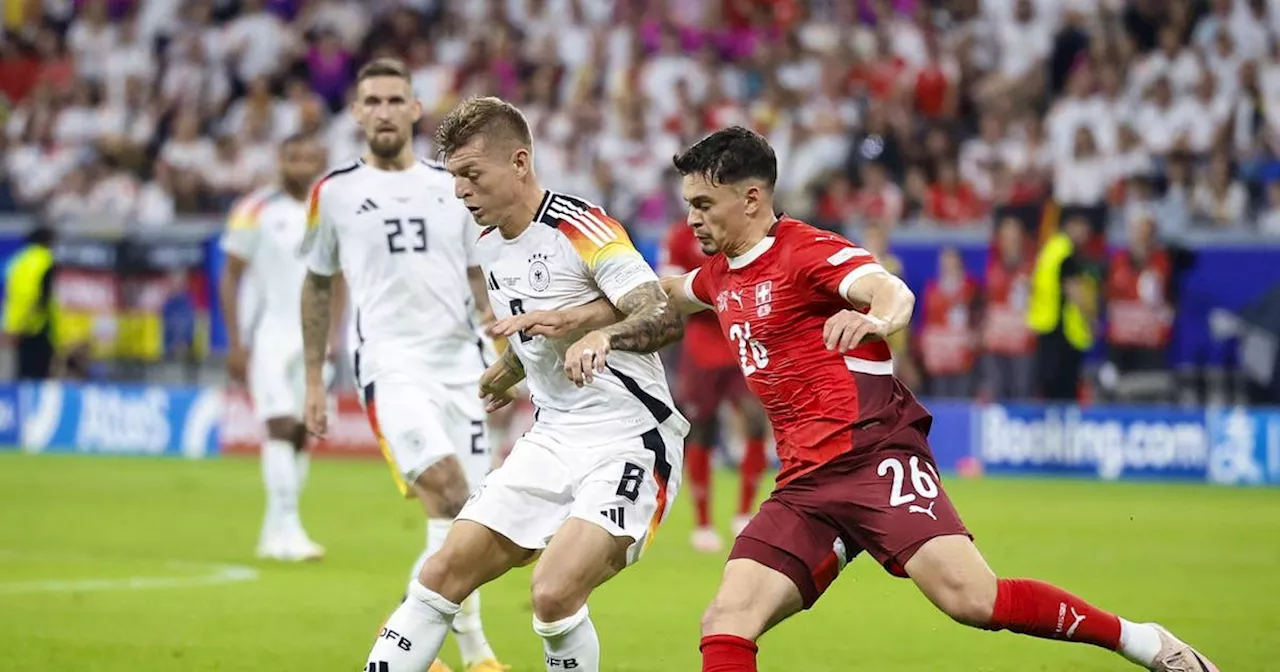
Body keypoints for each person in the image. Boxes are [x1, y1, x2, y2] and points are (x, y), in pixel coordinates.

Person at [512, 127, 1218, 672]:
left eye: (702, 204)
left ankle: (1147, 643)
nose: (691, 218)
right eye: (687, 205)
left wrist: (877, 317)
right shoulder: (723, 275)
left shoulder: (808, 251)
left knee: (974, 601)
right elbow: (668, 296)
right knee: (726, 620)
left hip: (873, 458)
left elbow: (887, 288)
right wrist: (584, 322)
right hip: (806, 485)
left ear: (750, 198)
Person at [360, 95, 688, 672]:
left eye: (471, 175)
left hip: (631, 438)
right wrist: (508, 368)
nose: (461, 191)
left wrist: (603, 337)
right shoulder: (489, 247)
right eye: (455, 177)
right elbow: (537, 330)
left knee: (554, 592)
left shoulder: (583, 227)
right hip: (552, 438)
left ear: (518, 162)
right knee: (439, 575)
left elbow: (659, 312)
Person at [299, 61, 505, 672]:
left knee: (470, 516)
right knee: (447, 491)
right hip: (392, 368)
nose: (384, 110)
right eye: (372, 101)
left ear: (416, 110)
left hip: (463, 365)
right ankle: (473, 651)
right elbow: (316, 284)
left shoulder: (454, 186)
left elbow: (479, 276)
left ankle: (452, 654)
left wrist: (505, 350)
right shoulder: (334, 193)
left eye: (396, 99)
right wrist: (314, 377)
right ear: (357, 113)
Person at [220, 134, 336, 562]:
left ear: (317, 158)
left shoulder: (328, 210)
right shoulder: (254, 210)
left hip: (315, 339)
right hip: (270, 334)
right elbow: (231, 275)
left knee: (304, 432)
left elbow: (335, 278)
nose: (301, 163)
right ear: (281, 161)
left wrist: (336, 337)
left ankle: (276, 531)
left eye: (308, 155)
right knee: (279, 426)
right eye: (293, 156)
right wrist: (235, 342)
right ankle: (289, 528)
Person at [659, 220, 768, 553]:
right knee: (702, 429)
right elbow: (668, 286)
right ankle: (703, 522)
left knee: (755, 419)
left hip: (740, 338)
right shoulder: (680, 235)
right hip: (702, 342)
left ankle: (745, 512)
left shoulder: (744, 230)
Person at [1028, 213, 1097, 400]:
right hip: (1062, 331)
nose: (1086, 233)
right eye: (1082, 227)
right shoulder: (1067, 252)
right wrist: (1091, 320)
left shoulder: (1050, 248)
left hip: (1045, 324)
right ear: (1070, 225)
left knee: (1046, 386)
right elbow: (1074, 291)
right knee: (1063, 391)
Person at [3, 225, 57, 380]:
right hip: (38, 325)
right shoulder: (45, 260)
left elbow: (13, 296)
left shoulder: (18, 262)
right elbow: (38, 296)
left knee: (22, 372)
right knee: (38, 374)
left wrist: (13, 326)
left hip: (18, 325)